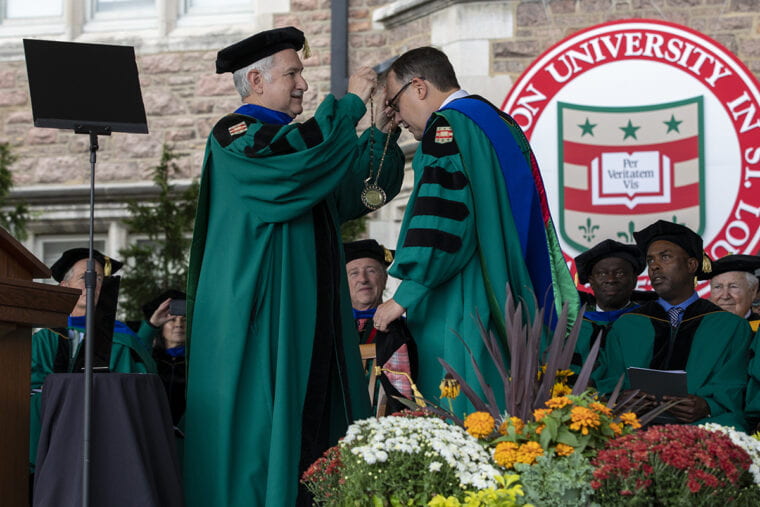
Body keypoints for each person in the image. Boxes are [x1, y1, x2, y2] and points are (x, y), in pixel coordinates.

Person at [184, 26, 405, 506]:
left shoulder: (301, 150)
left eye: (302, 73)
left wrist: (382, 133)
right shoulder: (236, 135)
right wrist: (349, 104)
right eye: (293, 73)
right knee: (267, 436)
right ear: (257, 82)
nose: (304, 83)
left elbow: (350, 191)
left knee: (316, 431)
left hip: (313, 318)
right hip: (265, 320)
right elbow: (301, 161)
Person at [372, 47, 578, 414]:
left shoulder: (445, 128)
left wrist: (403, 297)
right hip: (511, 291)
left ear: (419, 87)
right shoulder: (499, 122)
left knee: (463, 419)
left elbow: (445, 222)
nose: (397, 117)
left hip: (463, 299)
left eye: (395, 103)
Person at [593, 220, 752, 429]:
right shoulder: (627, 326)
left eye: (665, 257)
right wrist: (620, 399)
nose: (655, 266)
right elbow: (609, 378)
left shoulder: (730, 327)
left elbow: (734, 383)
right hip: (634, 428)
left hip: (703, 426)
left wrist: (707, 405)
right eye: (650, 261)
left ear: (691, 265)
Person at [29, 248, 156, 469]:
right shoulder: (45, 340)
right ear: (64, 287)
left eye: (98, 279)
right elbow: (31, 394)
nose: (93, 285)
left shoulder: (123, 339)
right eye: (85, 278)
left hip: (113, 448)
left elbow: (138, 393)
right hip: (59, 451)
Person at [344, 239, 417, 414]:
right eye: (354, 273)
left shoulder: (407, 330)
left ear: (384, 279)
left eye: (371, 271)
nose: (363, 279)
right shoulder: (330, 332)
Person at [571, 239, 647, 372]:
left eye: (620, 273)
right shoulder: (576, 325)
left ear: (634, 279)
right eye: (602, 274)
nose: (611, 279)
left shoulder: (648, 322)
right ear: (591, 281)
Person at [138, 289, 187, 427]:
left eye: (185, 319)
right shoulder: (150, 360)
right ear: (162, 326)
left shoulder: (198, 364)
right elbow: (137, 351)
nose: (179, 324)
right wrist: (152, 323)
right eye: (172, 319)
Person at [704, 254, 760, 328]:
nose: (725, 296)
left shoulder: (757, 330)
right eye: (718, 287)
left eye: (733, 286)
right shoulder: (699, 328)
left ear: (753, 291)